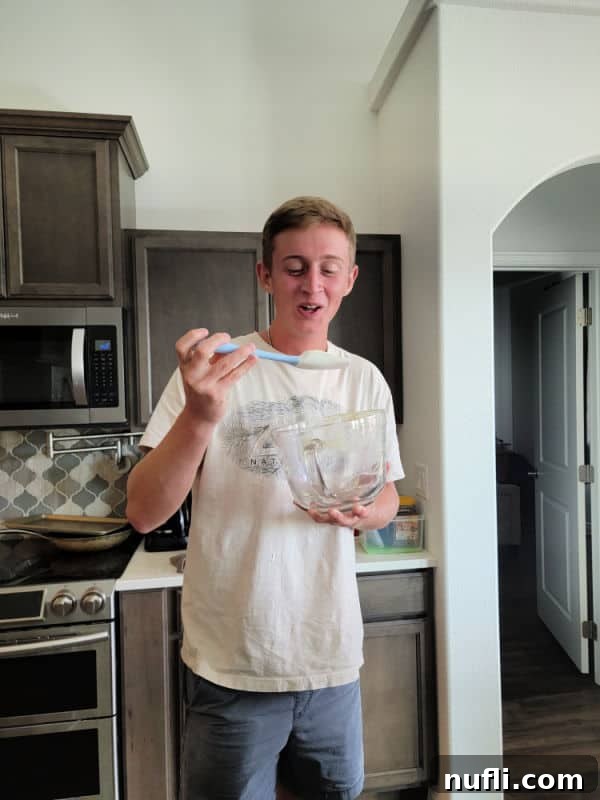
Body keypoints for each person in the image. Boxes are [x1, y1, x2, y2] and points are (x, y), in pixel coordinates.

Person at [126, 195, 404, 800]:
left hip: (331, 658)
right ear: (266, 275)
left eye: (330, 267)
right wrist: (200, 416)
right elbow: (145, 511)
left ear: (350, 279)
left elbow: (386, 498)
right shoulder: (214, 372)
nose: (314, 283)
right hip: (233, 661)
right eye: (295, 266)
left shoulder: (364, 380)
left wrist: (364, 513)